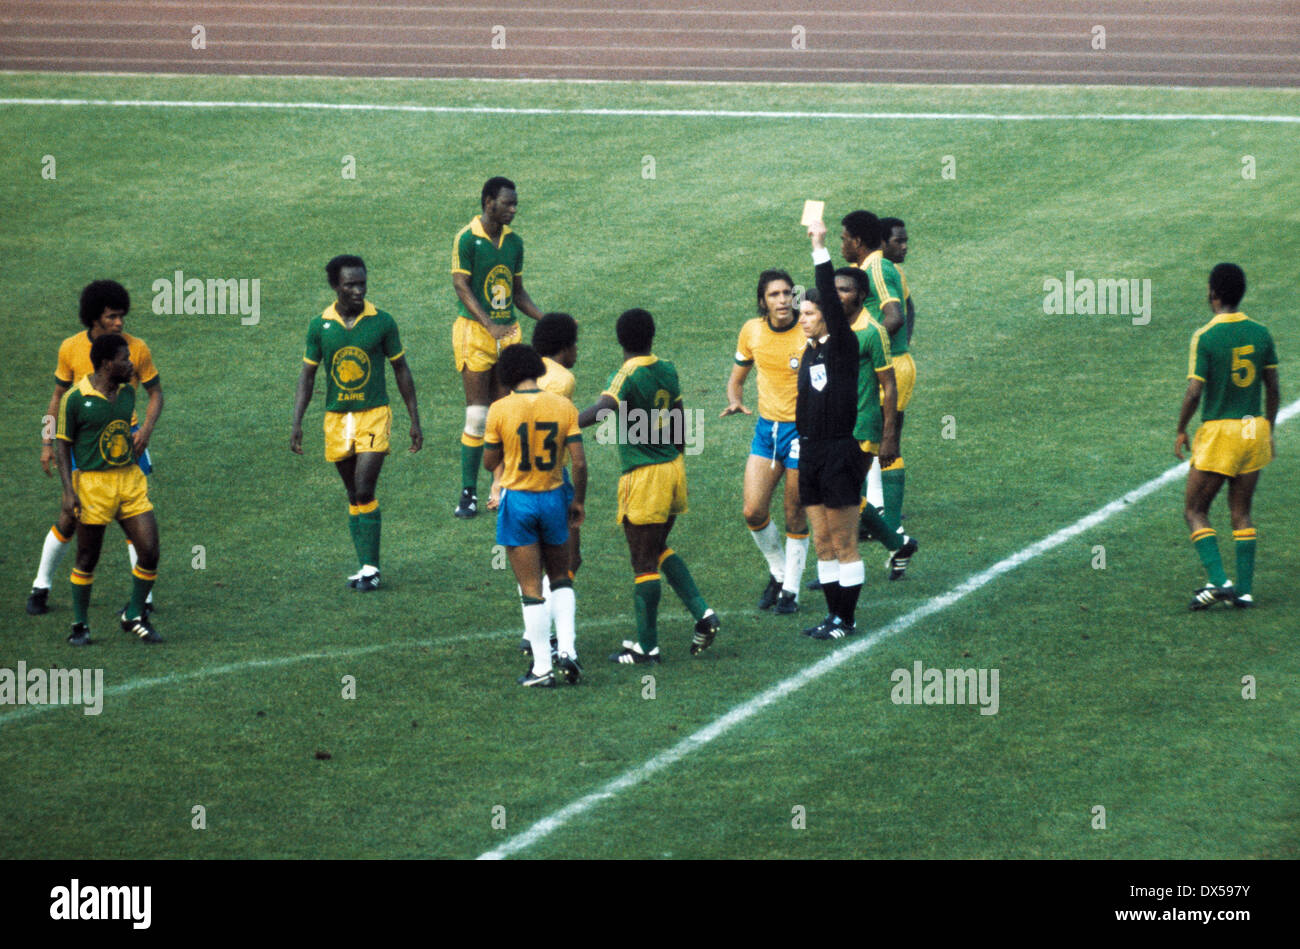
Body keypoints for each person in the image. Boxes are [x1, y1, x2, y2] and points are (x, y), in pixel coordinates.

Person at [578, 308, 720, 663]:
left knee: (642, 560)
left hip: (644, 475)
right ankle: (703, 616)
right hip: (673, 468)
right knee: (657, 547)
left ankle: (648, 646)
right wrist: (677, 459)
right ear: (651, 336)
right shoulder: (667, 368)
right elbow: (679, 416)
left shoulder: (626, 374)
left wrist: (564, 422)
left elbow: (604, 410)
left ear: (620, 339)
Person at [28, 280, 162, 617]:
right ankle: (41, 586)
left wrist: (145, 429)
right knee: (69, 518)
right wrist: (47, 441)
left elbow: (156, 393)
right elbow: (57, 398)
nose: (119, 323)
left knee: (134, 518)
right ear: (94, 318)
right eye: (112, 317)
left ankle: (142, 601)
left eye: (122, 316)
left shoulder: (136, 349)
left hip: (124, 441)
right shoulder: (70, 348)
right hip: (84, 442)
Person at [291, 255, 422, 590]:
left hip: (374, 414)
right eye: (350, 284)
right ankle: (365, 567)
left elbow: (401, 369)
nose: (358, 290)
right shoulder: (319, 325)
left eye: (362, 283)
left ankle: (372, 568)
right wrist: (297, 422)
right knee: (353, 494)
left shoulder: (382, 322)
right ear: (335, 286)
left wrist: (414, 419)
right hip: (337, 418)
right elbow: (307, 376)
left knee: (365, 487)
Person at [1174, 263, 1279, 609]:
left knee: (1194, 510)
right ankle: (1244, 592)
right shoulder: (1261, 333)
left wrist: (1180, 428)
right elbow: (1272, 387)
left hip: (1222, 432)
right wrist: (1269, 430)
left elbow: (1194, 392)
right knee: (1241, 513)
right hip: (1255, 429)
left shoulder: (1206, 336)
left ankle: (1220, 582)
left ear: (1215, 293)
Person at [484, 344, 587, 687]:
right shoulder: (563, 406)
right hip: (555, 497)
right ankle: (568, 651)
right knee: (561, 577)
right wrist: (579, 502)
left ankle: (542, 667)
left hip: (520, 502)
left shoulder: (499, 410)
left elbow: (488, 461)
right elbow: (580, 462)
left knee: (531, 587)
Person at [54, 333, 161, 644]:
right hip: (92, 485)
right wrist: (68, 491)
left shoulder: (127, 394)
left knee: (150, 551)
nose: (131, 364)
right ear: (105, 363)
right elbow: (63, 444)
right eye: (124, 360)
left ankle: (134, 614)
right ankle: (80, 625)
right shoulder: (75, 399)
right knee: (87, 557)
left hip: (128, 480)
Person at [451, 176, 545, 519]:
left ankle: (504, 484)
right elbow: (461, 285)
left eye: (516, 203)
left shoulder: (514, 243)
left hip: (508, 336)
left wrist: (546, 318)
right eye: (508, 203)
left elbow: (518, 292)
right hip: (474, 334)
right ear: (488, 202)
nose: (514, 209)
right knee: (477, 415)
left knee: (505, 413)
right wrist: (487, 322)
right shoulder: (466, 239)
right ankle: (468, 493)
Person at [721, 270, 809, 614]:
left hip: (804, 432)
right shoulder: (752, 331)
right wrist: (734, 399)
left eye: (787, 293)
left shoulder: (809, 328)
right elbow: (737, 379)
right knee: (753, 511)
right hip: (767, 432)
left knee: (793, 512)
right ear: (763, 301)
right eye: (774, 295)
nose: (783, 300)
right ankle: (779, 572)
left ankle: (792, 592)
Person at [842, 210, 913, 550]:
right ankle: (879, 523)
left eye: (843, 239)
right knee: (870, 443)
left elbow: (895, 315)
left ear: (856, 241)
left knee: (886, 443)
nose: (841, 244)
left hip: (892, 366)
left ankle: (891, 526)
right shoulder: (863, 270)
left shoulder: (878, 268)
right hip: (886, 363)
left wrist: (866, 348)